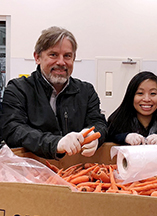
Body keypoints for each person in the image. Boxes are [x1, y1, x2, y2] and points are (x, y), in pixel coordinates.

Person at [0, 26, 107, 159]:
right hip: (33, 169)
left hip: (75, 167)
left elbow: (99, 122)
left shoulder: (86, 91)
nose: (61, 62)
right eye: (53, 55)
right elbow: (13, 129)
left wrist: (95, 135)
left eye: (67, 56)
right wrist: (56, 143)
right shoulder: (18, 89)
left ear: (73, 59)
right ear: (37, 57)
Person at [107, 71, 157, 145]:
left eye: (153, 93)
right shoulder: (116, 123)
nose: (147, 99)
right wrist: (124, 137)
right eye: (140, 93)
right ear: (131, 96)